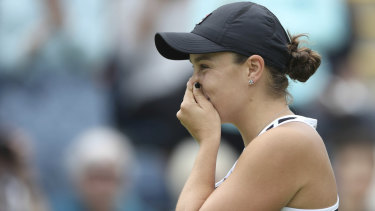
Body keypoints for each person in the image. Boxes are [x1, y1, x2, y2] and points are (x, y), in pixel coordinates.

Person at [154, 2, 338, 211]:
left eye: (204, 66)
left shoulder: (285, 142)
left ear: (252, 69)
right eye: (193, 68)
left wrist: (208, 142)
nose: (192, 83)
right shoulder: (274, 140)